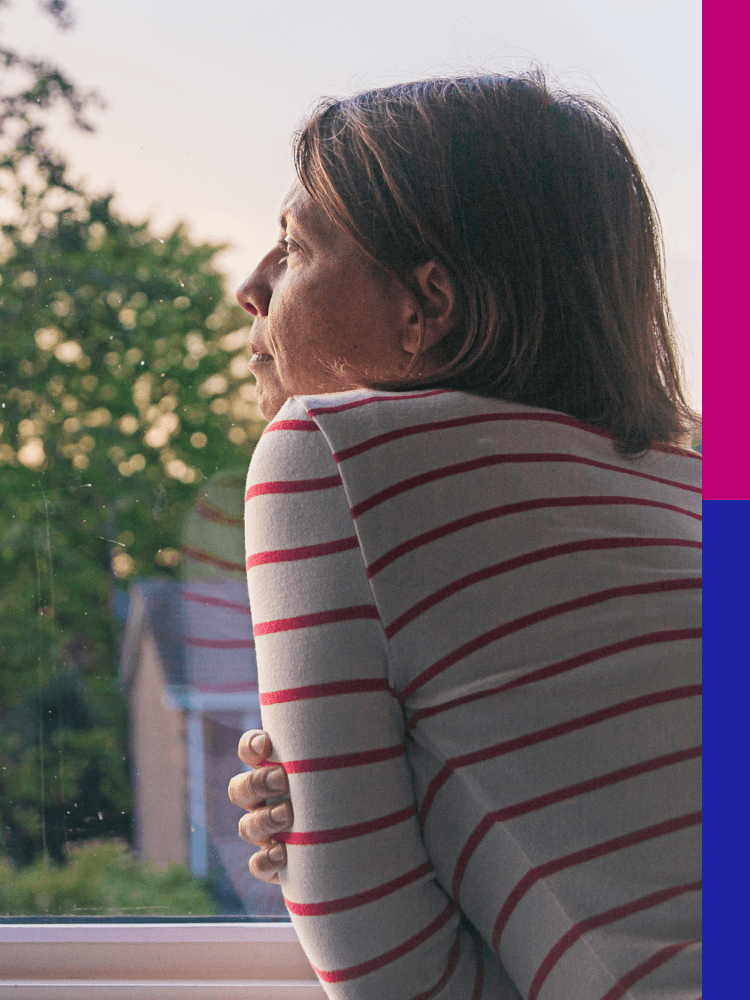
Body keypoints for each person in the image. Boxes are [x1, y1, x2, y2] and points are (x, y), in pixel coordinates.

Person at [227, 72, 701, 999]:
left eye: (293, 247)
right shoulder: (698, 483)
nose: (252, 287)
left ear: (424, 309)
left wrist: (339, 824)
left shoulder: (329, 453)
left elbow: (396, 982)